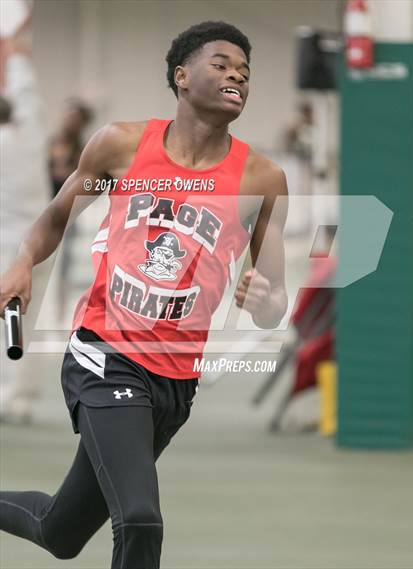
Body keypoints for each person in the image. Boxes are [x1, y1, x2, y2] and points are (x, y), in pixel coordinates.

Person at [0, 21, 288, 569]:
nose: (237, 76)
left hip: (175, 379)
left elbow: (276, 301)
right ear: (182, 76)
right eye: (222, 64)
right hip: (104, 355)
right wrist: (21, 263)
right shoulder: (121, 145)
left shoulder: (262, 178)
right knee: (139, 517)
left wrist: (264, 297)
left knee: (60, 531)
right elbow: (57, 216)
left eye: (245, 72)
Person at [0, 10, 50, 423]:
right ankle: (21, 396)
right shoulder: (29, 136)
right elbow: (25, 95)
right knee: (23, 321)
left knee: (13, 319)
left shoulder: (17, 138)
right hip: (35, 242)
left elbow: (21, 97)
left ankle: (14, 396)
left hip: (14, 243)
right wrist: (16, 52)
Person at [49, 98, 93, 322]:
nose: (68, 120)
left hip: (68, 216)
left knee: (63, 268)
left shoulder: (83, 152)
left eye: (74, 117)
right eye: (67, 115)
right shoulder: (50, 144)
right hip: (44, 213)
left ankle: (59, 314)